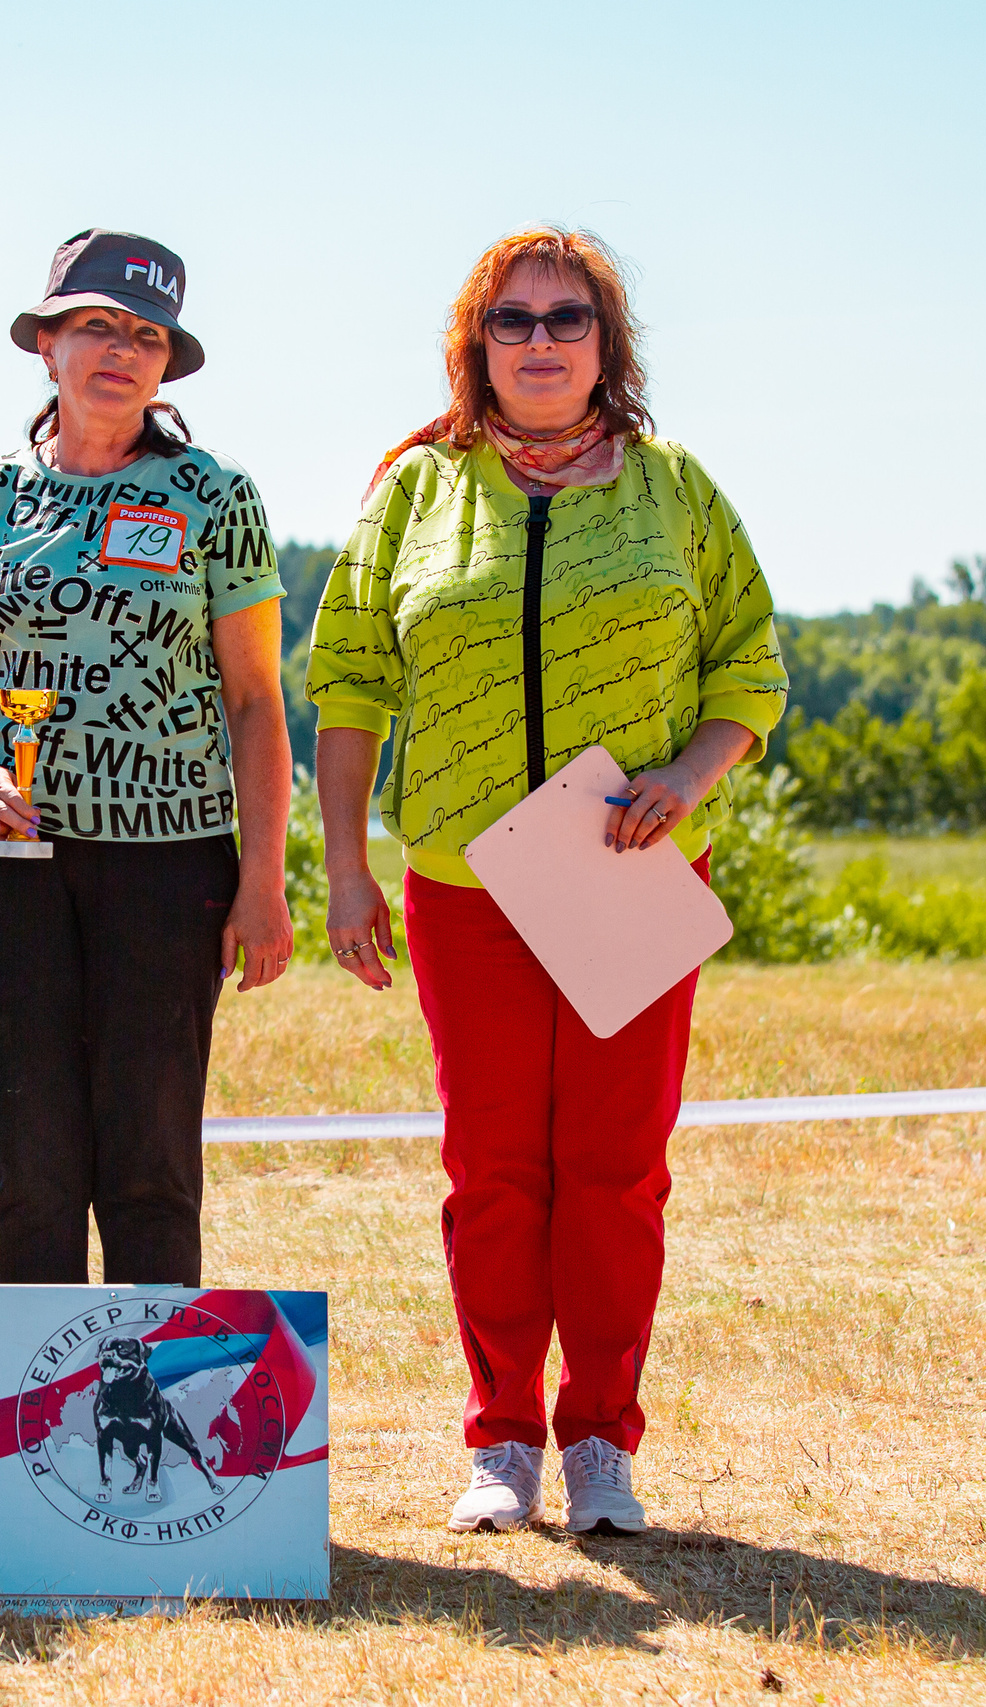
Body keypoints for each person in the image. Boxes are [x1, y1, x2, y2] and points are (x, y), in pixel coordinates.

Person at [306, 227, 788, 1538]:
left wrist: (690, 775)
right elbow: (347, 679)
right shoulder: (414, 492)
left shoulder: (676, 490)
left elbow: (751, 664)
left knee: (617, 1171)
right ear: (477, 345)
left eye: (565, 318)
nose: (538, 341)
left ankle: (602, 1442)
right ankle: (504, 1438)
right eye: (512, 321)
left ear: (605, 343)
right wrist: (347, 863)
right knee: (495, 1168)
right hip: (463, 881)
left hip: (627, 869)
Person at [0, 229, 295, 1287]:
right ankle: (37, 1429)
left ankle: (157, 1432)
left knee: (150, 1164)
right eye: (94, 326)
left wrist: (264, 880)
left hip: (170, 866)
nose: (119, 349)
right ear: (46, 345)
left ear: (166, 363)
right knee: (27, 1167)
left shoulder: (214, 496)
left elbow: (257, 702)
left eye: (145, 334)